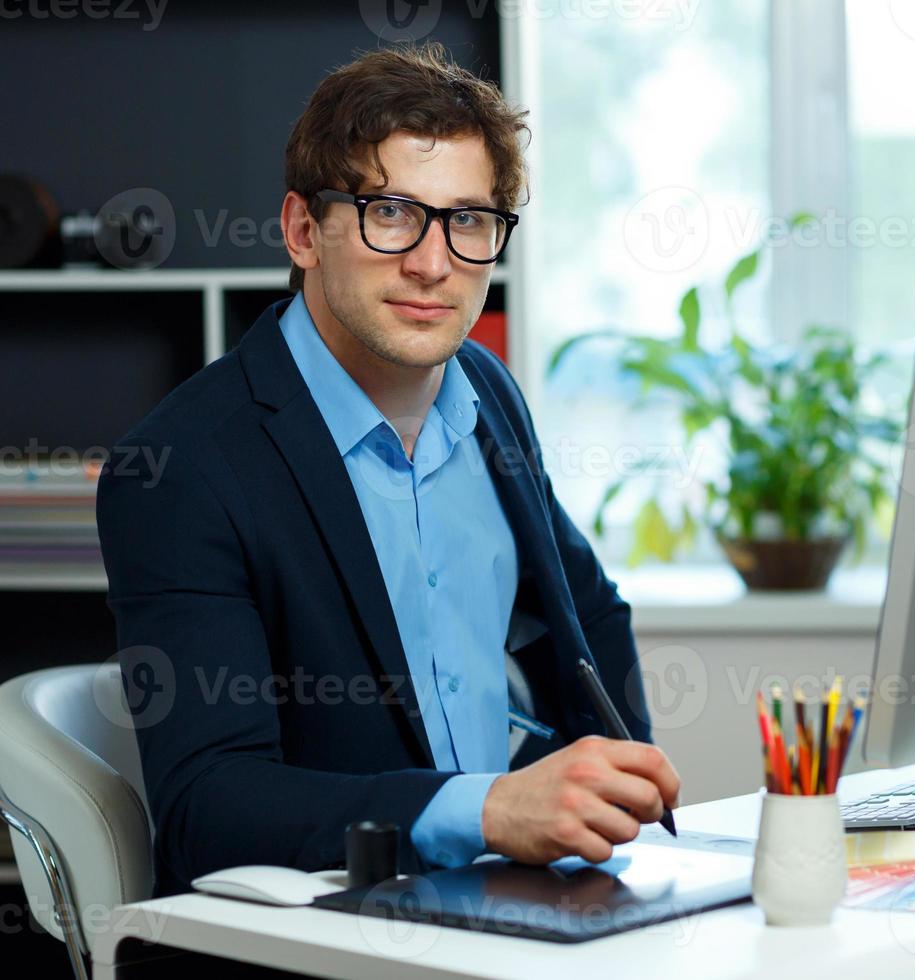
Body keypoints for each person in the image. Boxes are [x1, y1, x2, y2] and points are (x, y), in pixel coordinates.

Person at [96, 42, 680, 898]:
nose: (434, 264)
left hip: (519, 899)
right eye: (393, 213)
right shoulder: (182, 469)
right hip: (335, 927)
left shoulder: (486, 389)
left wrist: (604, 796)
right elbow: (208, 809)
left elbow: (588, 610)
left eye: (469, 220)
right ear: (304, 230)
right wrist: (486, 810)